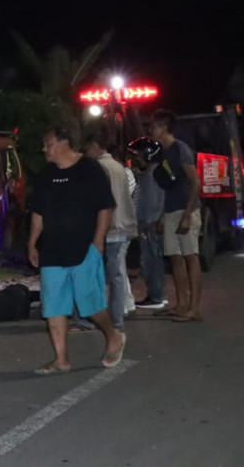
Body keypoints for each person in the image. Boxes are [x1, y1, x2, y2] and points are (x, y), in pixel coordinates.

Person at [27, 126, 126, 374]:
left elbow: (105, 207)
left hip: (84, 247)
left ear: (64, 143)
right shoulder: (46, 175)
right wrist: (32, 243)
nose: (44, 149)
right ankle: (61, 359)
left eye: (48, 144)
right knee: (54, 306)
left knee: (90, 305)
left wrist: (98, 241)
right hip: (51, 249)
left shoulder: (90, 169)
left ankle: (113, 334)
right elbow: (38, 213)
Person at [149, 109, 203, 322]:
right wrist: (164, 215)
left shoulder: (181, 149)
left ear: (163, 127)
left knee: (191, 257)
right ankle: (181, 304)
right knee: (175, 258)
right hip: (172, 210)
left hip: (185, 209)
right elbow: (168, 187)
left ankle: (194, 308)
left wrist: (188, 215)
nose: (151, 130)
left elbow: (195, 182)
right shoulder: (165, 152)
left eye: (153, 127)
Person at [83, 131, 137, 331]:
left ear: (96, 146)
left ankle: (105, 318)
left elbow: (102, 202)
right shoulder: (118, 166)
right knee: (118, 275)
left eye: (87, 149)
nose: (86, 153)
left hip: (109, 227)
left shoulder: (99, 168)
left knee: (101, 274)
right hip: (124, 225)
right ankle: (117, 317)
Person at [127, 136, 167, 309]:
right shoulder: (150, 173)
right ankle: (155, 294)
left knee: (152, 262)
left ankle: (157, 297)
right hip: (148, 224)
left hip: (150, 224)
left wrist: (152, 221)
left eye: (139, 155)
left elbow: (153, 202)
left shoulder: (154, 174)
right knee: (149, 261)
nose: (136, 159)